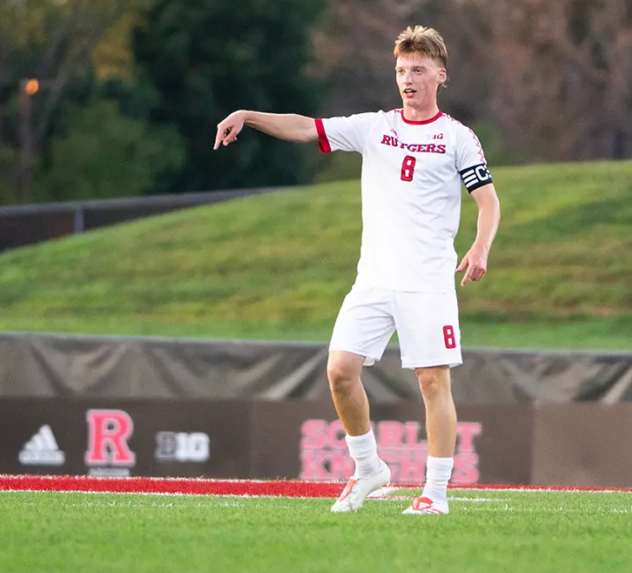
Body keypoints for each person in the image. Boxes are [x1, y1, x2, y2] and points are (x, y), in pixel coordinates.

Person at [214, 26, 501, 515]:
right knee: (340, 372)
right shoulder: (376, 127)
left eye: (417, 70)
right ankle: (369, 467)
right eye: (400, 71)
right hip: (373, 279)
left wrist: (480, 246)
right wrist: (248, 116)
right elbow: (307, 127)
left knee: (433, 383)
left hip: (427, 281)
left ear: (440, 74)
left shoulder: (458, 138)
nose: (407, 79)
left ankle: (434, 493)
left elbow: (488, 202)